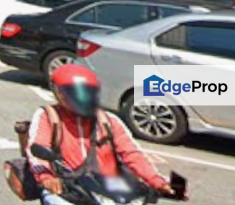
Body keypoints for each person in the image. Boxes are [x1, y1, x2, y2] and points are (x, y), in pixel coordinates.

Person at [26, 64, 179, 204]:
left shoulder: (108, 120)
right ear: (58, 92)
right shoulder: (48, 117)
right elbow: (37, 149)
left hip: (106, 186)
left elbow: (132, 154)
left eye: (87, 92)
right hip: (68, 186)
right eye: (73, 92)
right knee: (54, 200)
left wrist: (157, 181)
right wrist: (47, 177)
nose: (81, 97)